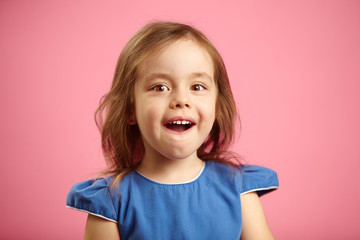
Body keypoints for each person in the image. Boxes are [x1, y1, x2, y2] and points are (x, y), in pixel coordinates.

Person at [67, 21, 279, 240]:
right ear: (131, 109)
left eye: (197, 87)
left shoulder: (239, 190)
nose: (181, 100)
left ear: (217, 106)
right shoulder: (109, 202)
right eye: (160, 88)